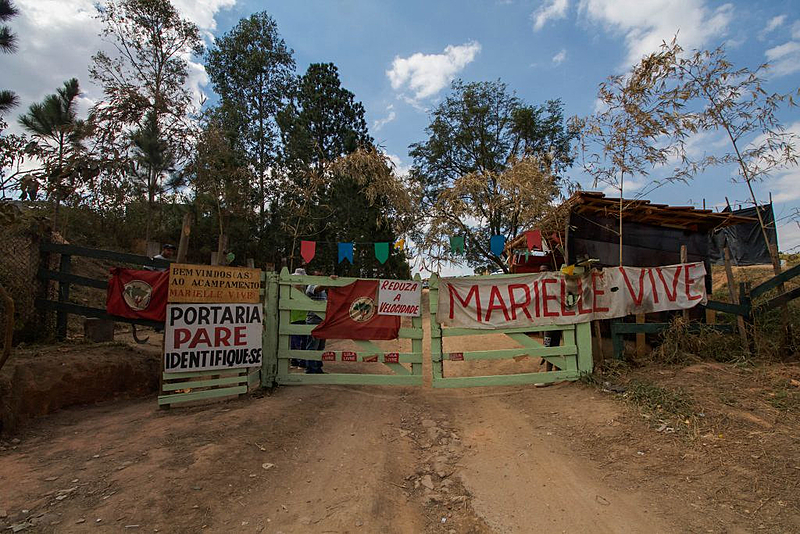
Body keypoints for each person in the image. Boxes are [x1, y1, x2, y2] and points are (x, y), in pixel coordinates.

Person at [304, 271, 338, 374]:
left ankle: (318, 368)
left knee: (320, 347)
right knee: (313, 346)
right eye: (317, 275)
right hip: (314, 321)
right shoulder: (311, 286)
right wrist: (329, 282)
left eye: (321, 275)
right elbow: (317, 289)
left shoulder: (323, 291)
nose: (320, 276)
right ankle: (310, 369)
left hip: (322, 321)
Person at [536, 263, 561, 386]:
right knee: (549, 345)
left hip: (556, 319)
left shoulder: (554, 285)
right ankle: (557, 369)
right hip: (546, 320)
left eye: (545, 271)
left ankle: (549, 375)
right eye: (541, 271)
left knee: (551, 345)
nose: (543, 274)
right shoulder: (538, 286)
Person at [289, 267, 308, 369]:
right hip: (294, 318)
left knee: (298, 340)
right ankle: (299, 361)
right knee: (297, 341)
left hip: (301, 317)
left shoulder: (301, 291)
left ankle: (296, 360)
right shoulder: (291, 291)